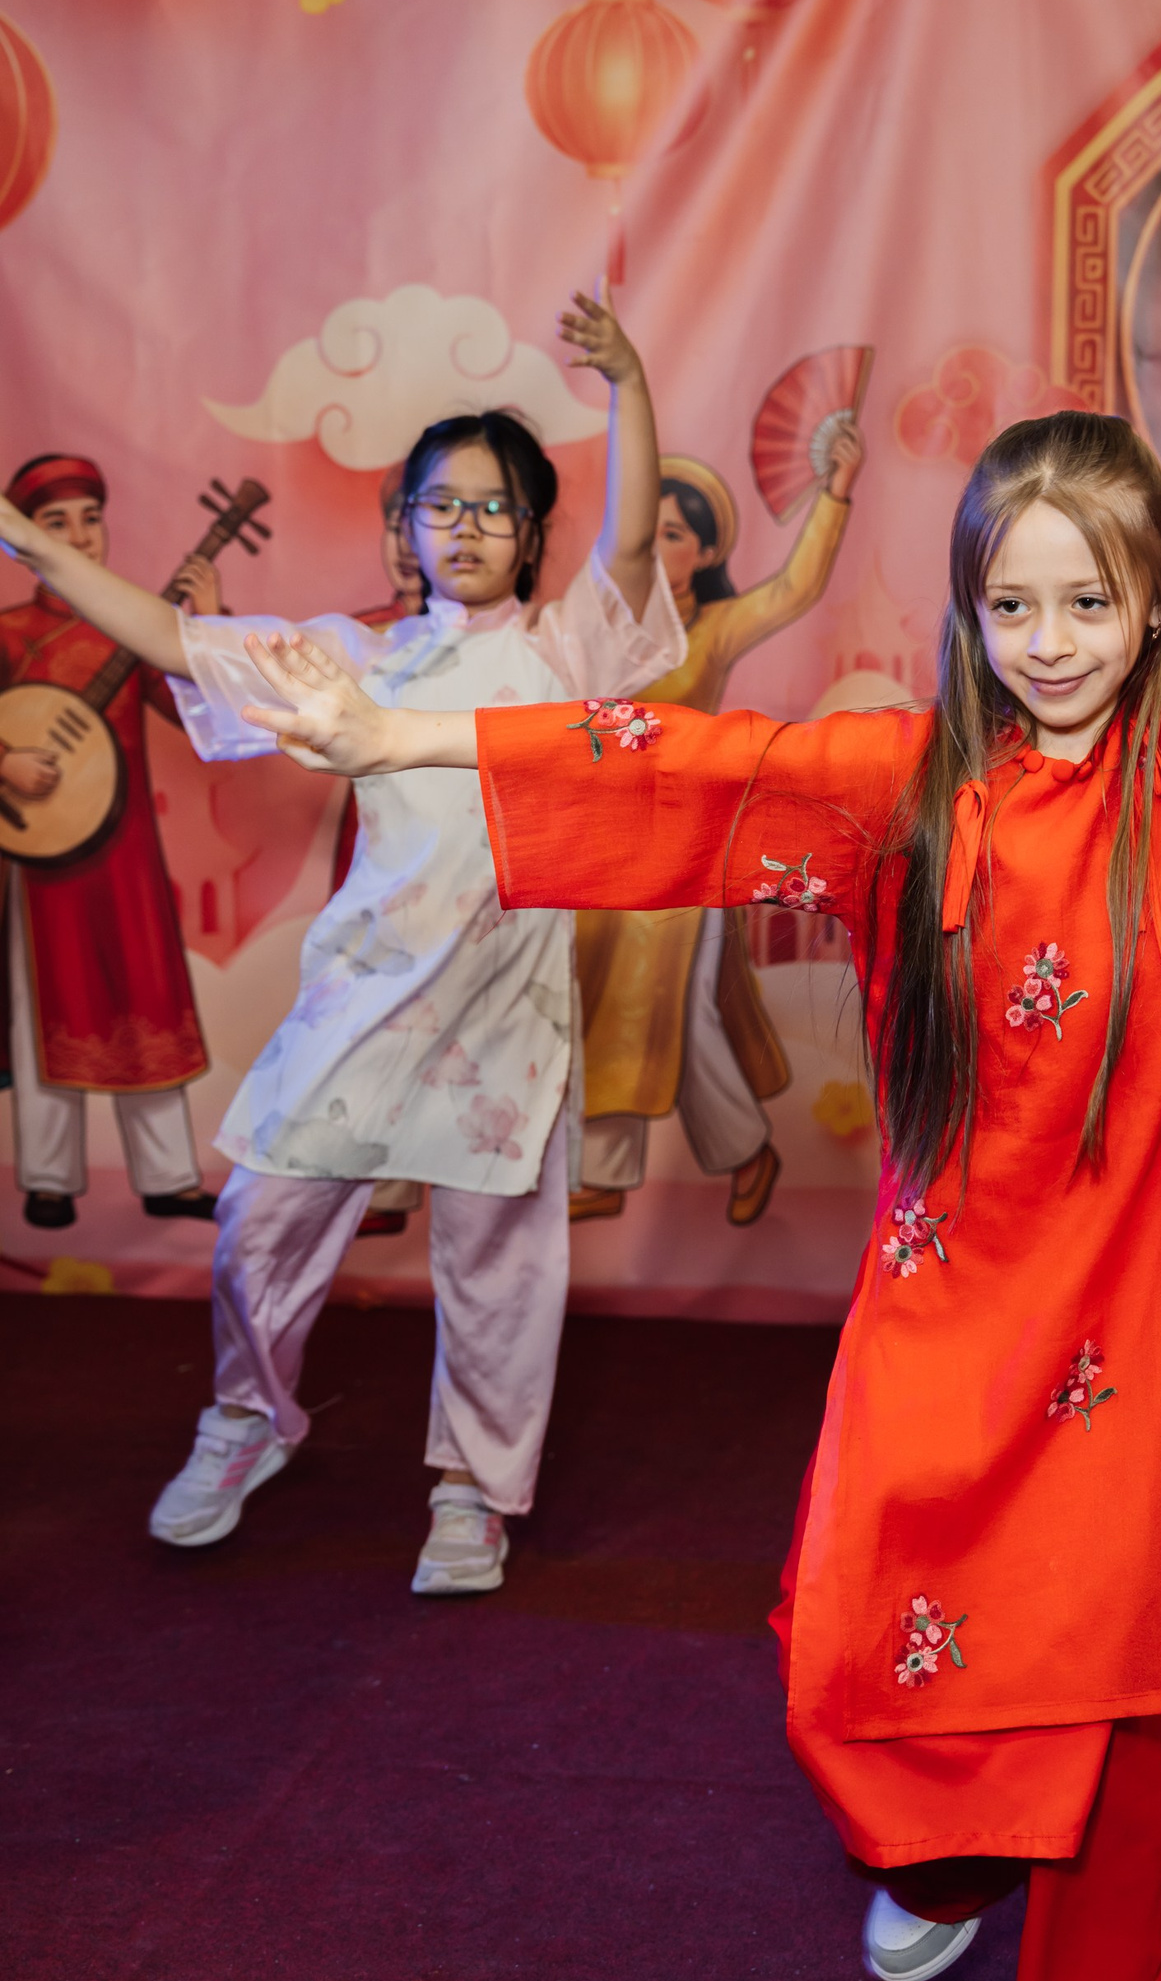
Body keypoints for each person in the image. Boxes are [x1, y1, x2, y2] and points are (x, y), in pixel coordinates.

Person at [212, 12, 1161, 1981]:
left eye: (1091, 600)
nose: (1053, 637)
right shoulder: (903, 784)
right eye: (1013, 601)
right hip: (951, 1309)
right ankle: (944, 1850)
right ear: (968, 609)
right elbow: (671, 765)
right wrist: (384, 739)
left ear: (1152, 609)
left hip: (1139, 1331)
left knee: (1108, 1684)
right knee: (855, 1630)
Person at [0, 295, 683, 1594]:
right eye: (442, 504)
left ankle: (473, 1491)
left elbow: (637, 538)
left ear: (532, 530)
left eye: (494, 506)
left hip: (507, 1014)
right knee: (257, 1219)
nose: (465, 525)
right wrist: (33, 546)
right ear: (403, 527)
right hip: (365, 999)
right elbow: (176, 639)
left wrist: (630, 387)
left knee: (497, 1267)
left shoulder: (568, 655)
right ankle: (247, 1419)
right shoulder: (352, 662)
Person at [573, 431, 863, 1228]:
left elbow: (796, 588)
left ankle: (744, 1151)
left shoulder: (717, 626)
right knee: (610, 999)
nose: (653, 546)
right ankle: (607, 1169)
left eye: (672, 533)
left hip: (690, 845)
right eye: (644, 530)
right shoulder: (599, 625)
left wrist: (835, 493)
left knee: (682, 1006)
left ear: (704, 552)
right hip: (610, 849)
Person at [1, 452, 226, 1231]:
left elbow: (204, 715)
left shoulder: (135, 619)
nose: (79, 536)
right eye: (55, 523)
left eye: (89, 519)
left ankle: (169, 1176)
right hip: (41, 863)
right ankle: (48, 1177)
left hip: (127, 856)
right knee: (42, 1012)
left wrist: (206, 625)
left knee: (145, 1001)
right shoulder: (10, 634)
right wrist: (6, 760)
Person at [333, 463, 427, 1241]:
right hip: (373, 848)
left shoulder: (510, 645)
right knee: (369, 1001)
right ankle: (379, 1177)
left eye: (418, 523)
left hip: (458, 860)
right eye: (395, 524)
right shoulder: (357, 638)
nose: (405, 543)